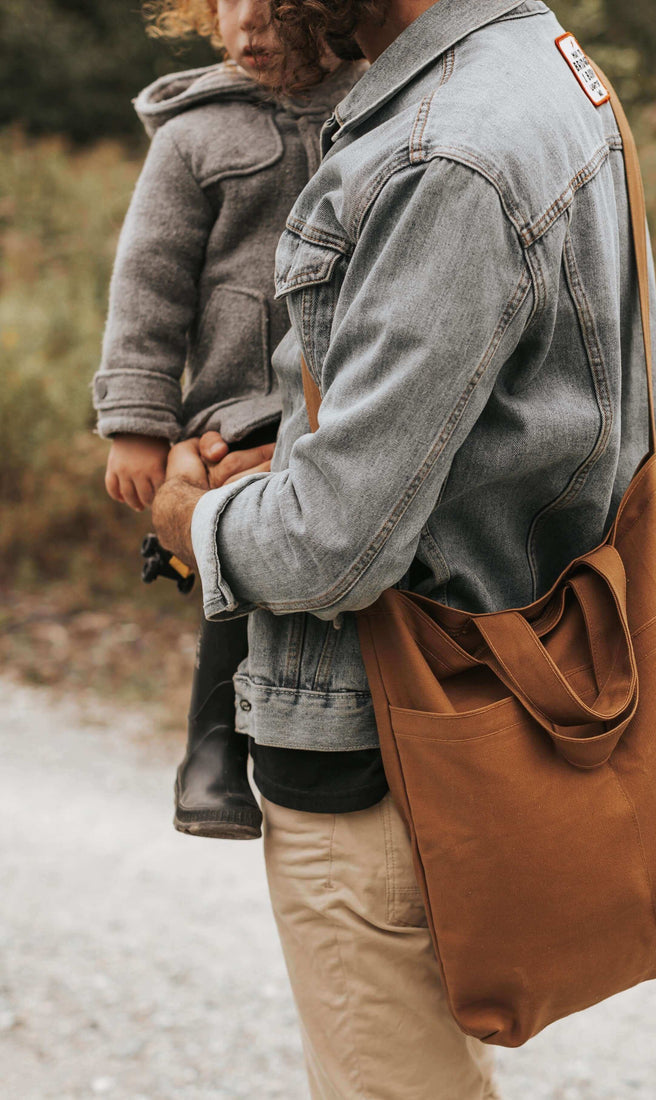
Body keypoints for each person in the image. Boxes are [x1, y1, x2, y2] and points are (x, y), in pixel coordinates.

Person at [152, 0, 656, 1094]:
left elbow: (333, 546)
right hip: (477, 696)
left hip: (374, 731)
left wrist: (190, 520)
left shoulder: (444, 149)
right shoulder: (536, 60)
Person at [93, 0, 361, 839]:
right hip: (237, 405)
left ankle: (346, 734)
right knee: (236, 534)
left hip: (353, 392)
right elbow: (150, 283)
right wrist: (137, 420)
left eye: (274, 6)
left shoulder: (380, 108)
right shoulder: (193, 135)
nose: (249, 26)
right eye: (228, 5)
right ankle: (213, 742)